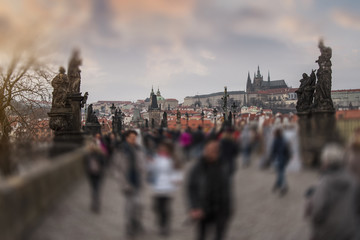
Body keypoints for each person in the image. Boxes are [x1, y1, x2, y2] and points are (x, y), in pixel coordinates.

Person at [305, 144, 360, 240]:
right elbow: (357, 205)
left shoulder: (325, 182)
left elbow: (318, 211)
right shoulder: (352, 179)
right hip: (349, 230)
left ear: (326, 161)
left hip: (328, 231)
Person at [187, 139, 234, 240]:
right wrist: (194, 207)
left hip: (221, 208)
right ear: (205, 150)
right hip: (203, 208)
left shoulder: (223, 165)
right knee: (201, 236)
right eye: (211, 149)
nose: (214, 152)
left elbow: (227, 188)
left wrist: (229, 208)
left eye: (216, 149)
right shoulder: (197, 168)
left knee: (219, 236)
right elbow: (191, 188)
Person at [113, 130, 146, 238]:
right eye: (132, 137)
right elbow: (117, 169)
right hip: (127, 182)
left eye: (135, 137)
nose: (134, 139)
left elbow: (142, 165)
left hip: (137, 181)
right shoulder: (122, 150)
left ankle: (136, 222)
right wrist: (123, 184)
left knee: (139, 204)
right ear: (127, 138)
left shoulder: (138, 149)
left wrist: (143, 177)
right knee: (129, 206)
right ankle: (130, 226)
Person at [148, 141, 183, 236]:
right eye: (161, 147)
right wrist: (150, 164)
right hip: (157, 186)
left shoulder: (173, 159)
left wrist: (177, 179)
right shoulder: (156, 157)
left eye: (164, 148)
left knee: (165, 208)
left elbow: (177, 171)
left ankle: (164, 226)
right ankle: (161, 222)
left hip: (168, 186)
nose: (162, 149)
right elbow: (150, 170)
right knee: (157, 207)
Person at [84, 140, 106, 213]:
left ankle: (96, 203)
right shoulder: (88, 155)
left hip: (98, 174)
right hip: (91, 174)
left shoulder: (99, 154)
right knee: (94, 188)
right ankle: (95, 202)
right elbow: (85, 165)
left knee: (96, 188)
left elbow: (103, 163)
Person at [269, 128, 291, 196]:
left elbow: (273, 150)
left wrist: (272, 158)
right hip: (284, 158)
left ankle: (281, 186)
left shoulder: (276, 140)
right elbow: (287, 149)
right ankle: (280, 185)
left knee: (280, 172)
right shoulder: (284, 139)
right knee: (281, 172)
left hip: (279, 158)